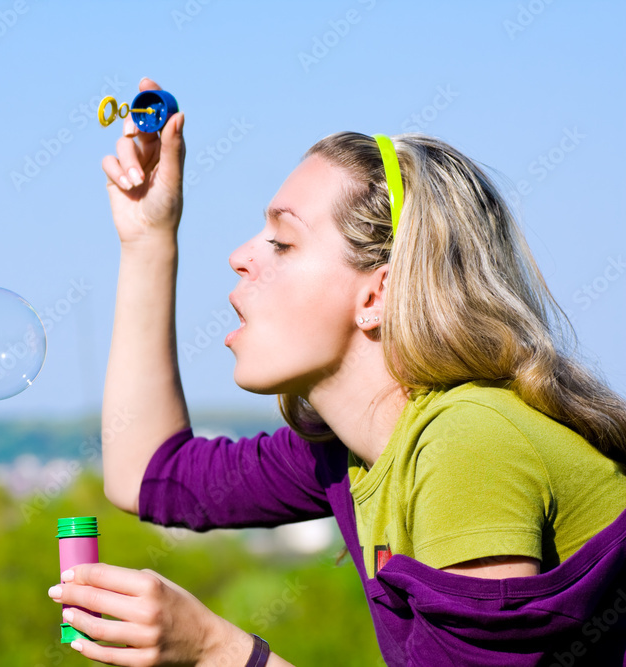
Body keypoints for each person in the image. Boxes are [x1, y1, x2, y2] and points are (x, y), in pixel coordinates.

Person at [46, 77, 626, 666]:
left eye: (282, 242)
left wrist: (216, 649)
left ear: (376, 295)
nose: (239, 256)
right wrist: (148, 238)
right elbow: (148, 473)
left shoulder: (469, 446)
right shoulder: (352, 452)